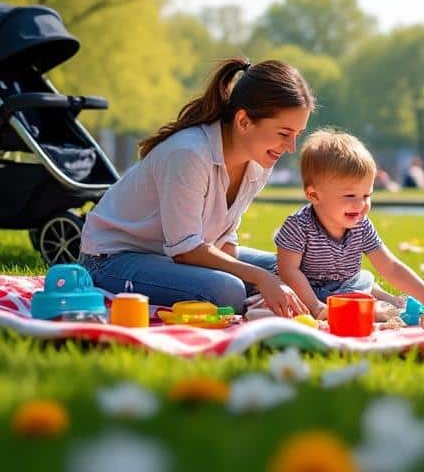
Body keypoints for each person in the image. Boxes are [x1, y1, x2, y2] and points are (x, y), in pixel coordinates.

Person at [79, 59, 312, 317]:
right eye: (284, 134)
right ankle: (256, 300)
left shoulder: (259, 162)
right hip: (113, 259)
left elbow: (223, 240)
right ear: (244, 121)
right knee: (228, 291)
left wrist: (269, 278)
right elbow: (186, 250)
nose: (291, 147)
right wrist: (259, 278)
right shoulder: (189, 153)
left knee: (300, 270)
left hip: (173, 258)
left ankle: (281, 300)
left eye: (297, 135)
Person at [274, 130, 424, 321]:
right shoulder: (298, 226)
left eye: (366, 195)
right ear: (314, 195)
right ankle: (380, 302)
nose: (361, 204)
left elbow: (390, 267)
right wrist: (316, 307)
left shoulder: (361, 225)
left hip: (347, 286)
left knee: (362, 282)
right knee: (278, 300)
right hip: (308, 290)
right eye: (350, 196)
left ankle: (387, 299)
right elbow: (288, 271)